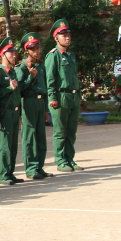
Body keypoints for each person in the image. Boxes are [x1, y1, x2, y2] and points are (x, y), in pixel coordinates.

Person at [46, 20, 82, 172]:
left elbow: (74, 77)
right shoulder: (52, 56)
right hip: (60, 97)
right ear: (56, 38)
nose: (67, 38)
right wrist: (52, 97)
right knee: (60, 131)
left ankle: (70, 158)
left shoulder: (71, 56)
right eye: (63, 35)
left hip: (73, 97)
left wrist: (79, 95)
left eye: (68, 35)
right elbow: (50, 79)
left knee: (71, 131)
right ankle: (61, 160)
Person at [0, 37, 24, 186]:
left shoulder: (13, 72)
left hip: (14, 112)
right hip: (4, 112)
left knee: (13, 145)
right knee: (4, 145)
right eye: (10, 53)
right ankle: (3, 174)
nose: (14, 56)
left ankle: (10, 172)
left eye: (14, 53)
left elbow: (17, 95)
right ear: (2, 55)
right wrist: (9, 88)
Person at [16, 33, 50, 179]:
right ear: (27, 50)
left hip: (40, 102)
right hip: (28, 102)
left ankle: (40, 166)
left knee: (40, 136)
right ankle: (31, 168)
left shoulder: (41, 66)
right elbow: (19, 89)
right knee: (30, 137)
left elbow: (45, 87)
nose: (36, 51)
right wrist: (31, 77)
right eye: (33, 49)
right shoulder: (22, 67)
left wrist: (46, 109)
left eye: (37, 48)